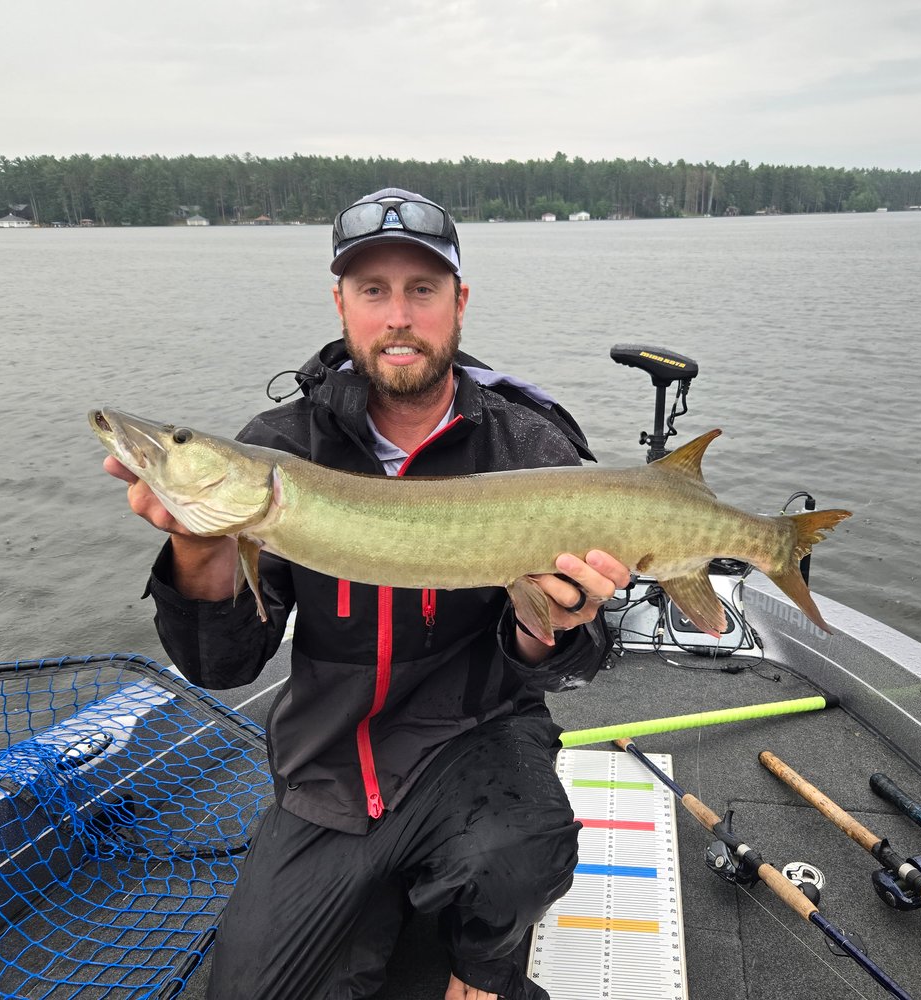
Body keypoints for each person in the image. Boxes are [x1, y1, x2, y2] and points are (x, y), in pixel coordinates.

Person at [103, 187, 630, 1000]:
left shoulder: (531, 444)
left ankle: (479, 969)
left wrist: (550, 624)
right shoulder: (281, 445)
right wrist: (197, 543)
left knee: (520, 856)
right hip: (333, 762)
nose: (398, 317)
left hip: (476, 737)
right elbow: (225, 664)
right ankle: (380, 895)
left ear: (458, 304)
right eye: (372, 291)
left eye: (422, 290)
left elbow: (575, 662)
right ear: (340, 303)